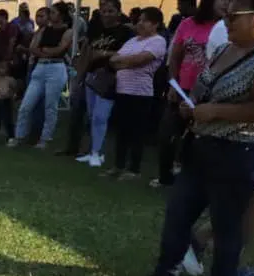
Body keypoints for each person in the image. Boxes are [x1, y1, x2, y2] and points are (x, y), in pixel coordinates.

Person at [126, 0, 254, 276]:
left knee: (226, 225)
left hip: (241, 150)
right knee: (178, 214)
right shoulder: (225, 49)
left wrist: (215, 111)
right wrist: (192, 104)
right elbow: (206, 85)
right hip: (202, 144)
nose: (226, 21)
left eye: (234, 16)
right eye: (226, 14)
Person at [154, 0, 224, 187]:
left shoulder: (226, 27)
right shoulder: (188, 24)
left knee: (199, 137)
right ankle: (165, 176)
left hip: (211, 92)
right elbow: (175, 56)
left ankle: (192, 178)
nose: (227, 4)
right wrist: (173, 84)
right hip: (182, 88)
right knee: (167, 133)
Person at [108, 7, 167, 180]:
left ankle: (134, 169)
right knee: (122, 131)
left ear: (155, 24)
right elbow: (113, 59)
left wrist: (123, 62)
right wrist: (125, 62)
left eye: (144, 20)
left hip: (140, 93)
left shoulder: (158, 41)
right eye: (139, 20)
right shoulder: (132, 41)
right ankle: (118, 165)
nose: (140, 23)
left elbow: (141, 60)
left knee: (136, 132)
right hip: (122, 90)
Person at [74, 0, 134, 166]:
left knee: (101, 116)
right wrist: (80, 75)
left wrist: (105, 53)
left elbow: (127, 53)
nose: (106, 14)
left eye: (110, 11)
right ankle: (93, 150)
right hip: (92, 75)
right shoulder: (95, 29)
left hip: (110, 77)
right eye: (103, 11)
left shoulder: (125, 32)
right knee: (92, 115)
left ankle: (97, 152)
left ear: (118, 12)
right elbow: (87, 51)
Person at [10, 2, 74, 148]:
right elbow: (33, 48)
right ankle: (20, 136)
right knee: (26, 104)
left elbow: (60, 50)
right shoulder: (44, 30)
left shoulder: (67, 31)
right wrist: (45, 51)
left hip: (56, 68)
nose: (50, 15)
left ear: (61, 15)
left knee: (50, 105)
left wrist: (45, 50)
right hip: (40, 67)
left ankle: (45, 138)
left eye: (53, 12)